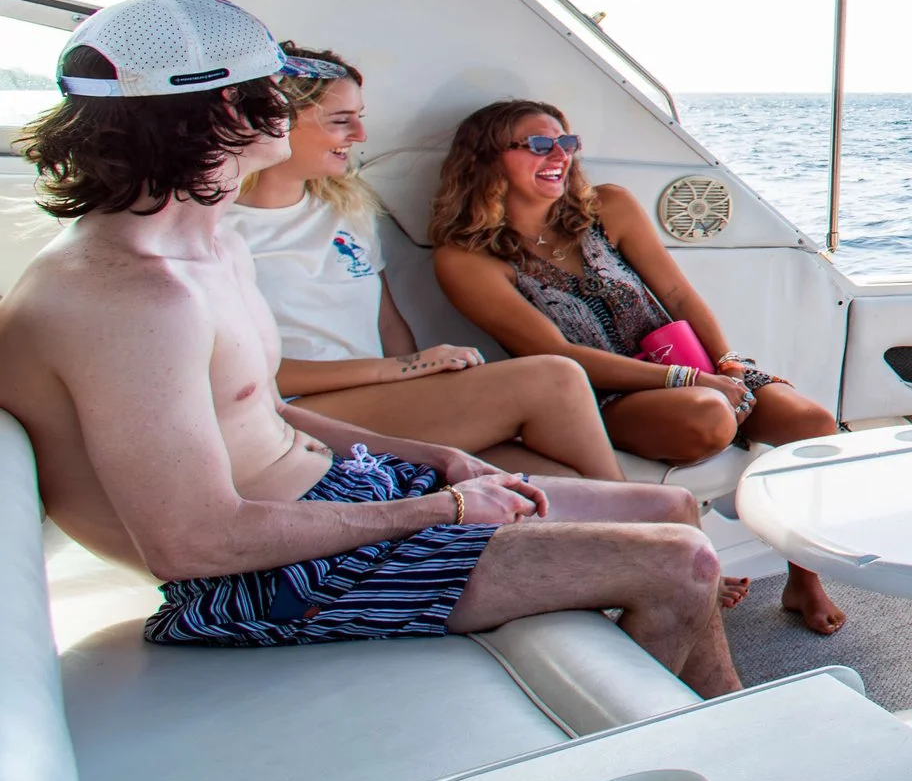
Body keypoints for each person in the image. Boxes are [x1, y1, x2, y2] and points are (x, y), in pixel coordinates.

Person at [0, 0, 736, 693]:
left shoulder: (209, 247)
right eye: (275, 86)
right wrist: (439, 508)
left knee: (669, 512)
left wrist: (433, 461)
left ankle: (729, 721)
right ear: (233, 107)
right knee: (680, 562)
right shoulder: (130, 295)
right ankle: (670, 750)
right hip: (269, 578)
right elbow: (195, 546)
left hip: (334, 501)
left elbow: (260, 411)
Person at [430, 99, 846, 635]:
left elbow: (675, 292)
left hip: (697, 369)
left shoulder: (607, 206)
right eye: (538, 144)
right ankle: (691, 562)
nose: (559, 154)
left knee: (813, 424)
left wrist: (728, 363)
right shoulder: (465, 259)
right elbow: (560, 356)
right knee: (709, 417)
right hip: (601, 397)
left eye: (567, 142)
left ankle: (803, 580)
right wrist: (696, 381)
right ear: (486, 159)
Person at [229, 45, 625, 482]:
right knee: (556, 378)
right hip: (292, 416)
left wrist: (418, 379)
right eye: (341, 120)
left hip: (379, 402)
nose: (360, 134)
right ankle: (652, 528)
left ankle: (646, 525)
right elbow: (241, 379)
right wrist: (404, 370)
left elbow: (388, 326)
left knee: (563, 486)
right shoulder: (220, 232)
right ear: (273, 122)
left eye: (360, 117)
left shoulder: (346, 210)